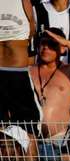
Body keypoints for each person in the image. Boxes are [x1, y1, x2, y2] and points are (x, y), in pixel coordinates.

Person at [30, 28, 70, 143]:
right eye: (43, 43)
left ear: (62, 48)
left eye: (51, 44)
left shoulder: (69, 70)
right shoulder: (28, 70)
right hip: (30, 138)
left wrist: (69, 44)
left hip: (58, 139)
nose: (46, 48)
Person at [0, 0, 42, 129]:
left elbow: (31, 31)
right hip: (16, 70)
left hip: (17, 73)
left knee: (28, 128)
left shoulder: (24, 2)